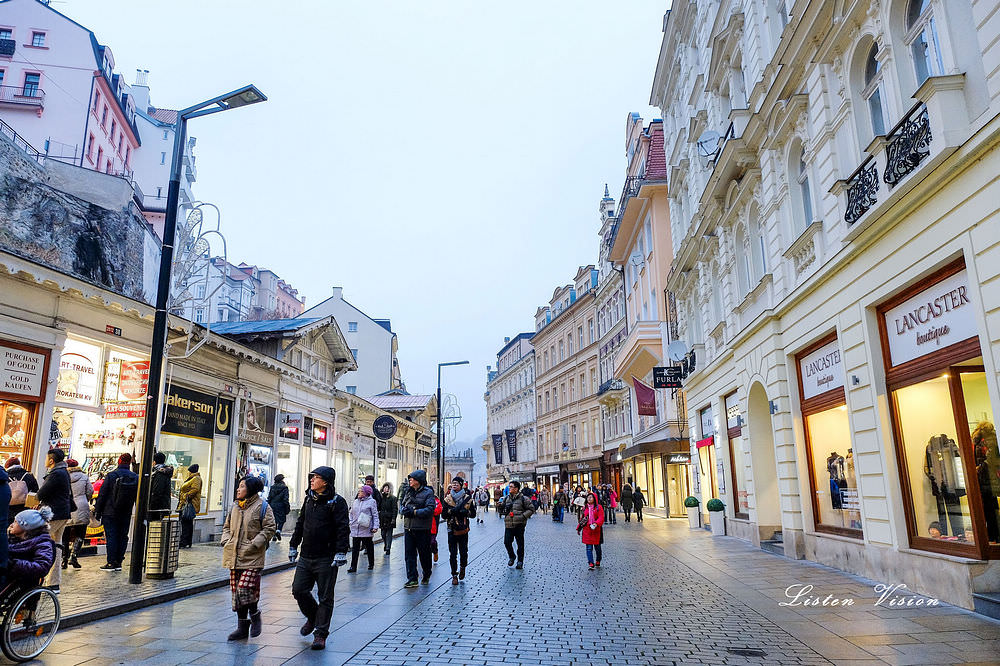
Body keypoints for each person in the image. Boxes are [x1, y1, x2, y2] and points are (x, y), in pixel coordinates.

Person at [289, 466, 349, 651]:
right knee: (298, 590)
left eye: (316, 477)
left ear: (326, 481)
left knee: (325, 597)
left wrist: (341, 551)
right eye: (312, 477)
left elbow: (342, 527)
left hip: (326, 557)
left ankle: (320, 634)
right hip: (306, 555)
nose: (312, 480)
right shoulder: (309, 499)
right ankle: (314, 616)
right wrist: (293, 544)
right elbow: (301, 523)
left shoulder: (337, 502)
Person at [221, 476, 276, 641]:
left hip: (252, 556)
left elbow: (270, 528)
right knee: (237, 594)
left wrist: (254, 544)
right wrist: (226, 540)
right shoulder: (235, 506)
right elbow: (226, 526)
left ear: (250, 489)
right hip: (233, 555)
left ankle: (255, 614)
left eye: (242, 486)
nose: (238, 489)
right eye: (238, 486)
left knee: (244, 589)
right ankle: (242, 628)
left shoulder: (263, 507)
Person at [93, 453, 138, 571]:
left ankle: (111, 562)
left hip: (110, 511)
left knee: (111, 536)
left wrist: (97, 511)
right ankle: (119, 561)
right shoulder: (135, 477)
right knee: (123, 536)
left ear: (119, 461)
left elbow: (102, 495)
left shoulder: (112, 475)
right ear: (129, 462)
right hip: (126, 511)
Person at [36, 448, 73, 591]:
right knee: (56, 546)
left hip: (54, 514)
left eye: (46, 458)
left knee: (42, 543)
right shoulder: (63, 472)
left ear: (51, 460)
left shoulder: (56, 474)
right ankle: (53, 582)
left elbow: (41, 493)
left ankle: (42, 577)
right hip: (63, 513)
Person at [399, 469, 436, 588]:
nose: (410, 480)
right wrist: (403, 510)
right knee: (409, 554)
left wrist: (414, 512)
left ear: (418, 481)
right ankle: (412, 578)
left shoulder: (428, 493)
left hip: (422, 528)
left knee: (424, 553)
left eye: (412, 479)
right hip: (408, 527)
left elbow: (430, 509)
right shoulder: (408, 492)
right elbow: (402, 505)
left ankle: (426, 573)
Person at [7, 506, 55, 586]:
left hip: (21, 583)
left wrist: (12, 564)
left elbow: (42, 567)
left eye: (15, 522)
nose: (11, 525)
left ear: (26, 526)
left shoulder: (43, 543)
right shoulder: (13, 539)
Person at [441, 476, 475, 585]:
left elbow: (473, 514)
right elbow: (444, 515)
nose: (454, 485)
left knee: (464, 552)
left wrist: (466, 513)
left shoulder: (468, 498)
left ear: (461, 485)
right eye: (453, 483)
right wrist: (452, 512)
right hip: (451, 528)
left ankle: (463, 567)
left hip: (463, 529)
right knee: (453, 553)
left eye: (456, 483)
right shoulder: (447, 499)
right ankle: (454, 575)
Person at [62, 458, 92, 570]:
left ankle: (64, 559)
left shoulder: (63, 476)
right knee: (80, 533)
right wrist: (84, 499)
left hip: (67, 505)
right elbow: (90, 491)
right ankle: (73, 557)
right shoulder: (84, 477)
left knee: (65, 534)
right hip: (81, 506)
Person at [498, 480, 534, 569]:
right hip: (509, 524)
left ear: (516, 488)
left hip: (519, 524)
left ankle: (520, 561)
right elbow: (502, 512)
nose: (509, 488)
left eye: (511, 487)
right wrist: (500, 507)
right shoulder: (506, 498)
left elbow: (531, 509)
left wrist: (523, 516)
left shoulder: (524, 498)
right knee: (507, 542)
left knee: (520, 544)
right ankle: (512, 556)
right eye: (509, 486)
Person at [347, 485, 380, 572]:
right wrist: (351, 521)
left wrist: (375, 526)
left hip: (366, 529)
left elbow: (375, 515)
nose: (359, 492)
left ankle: (371, 563)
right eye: (359, 491)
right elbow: (351, 512)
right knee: (355, 549)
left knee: (369, 547)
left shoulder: (372, 502)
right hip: (355, 529)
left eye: (361, 491)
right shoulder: (355, 502)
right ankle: (353, 567)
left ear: (366, 493)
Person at [177, 464, 203, 548]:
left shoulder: (196, 478)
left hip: (189, 504)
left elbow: (195, 490)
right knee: (187, 523)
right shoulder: (193, 478)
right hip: (186, 503)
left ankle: (184, 541)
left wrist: (186, 496)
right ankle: (187, 541)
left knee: (186, 523)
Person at [5, 457, 37, 523]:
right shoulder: (29, 476)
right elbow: (35, 492)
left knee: (9, 528)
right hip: (24, 509)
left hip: (8, 510)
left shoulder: (4, 476)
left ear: (7, 466)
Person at [578, 491, 605, 569]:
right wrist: (579, 528)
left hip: (596, 530)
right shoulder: (584, 508)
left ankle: (598, 560)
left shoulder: (598, 507)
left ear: (594, 499)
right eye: (588, 497)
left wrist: (596, 524)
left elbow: (601, 517)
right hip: (587, 530)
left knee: (597, 547)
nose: (589, 498)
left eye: (591, 497)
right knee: (589, 548)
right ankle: (590, 563)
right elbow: (582, 519)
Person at [148, 452, 174, 521]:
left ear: (154, 461)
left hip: (157, 508)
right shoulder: (163, 471)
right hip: (161, 506)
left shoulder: (160, 473)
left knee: (154, 527)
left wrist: (151, 507)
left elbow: (157, 492)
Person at [267, 474, 291, 541]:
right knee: (281, 520)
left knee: (274, 520)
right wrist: (287, 507)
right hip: (281, 506)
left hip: (272, 505)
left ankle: (274, 535)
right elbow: (286, 499)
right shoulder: (285, 488)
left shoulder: (272, 487)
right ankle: (278, 531)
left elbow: (269, 497)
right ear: (282, 480)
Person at [378, 482, 397, 556]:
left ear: (389, 489)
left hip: (389, 518)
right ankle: (386, 544)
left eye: (387, 488)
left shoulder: (393, 498)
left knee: (389, 534)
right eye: (384, 487)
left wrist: (393, 519)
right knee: (383, 534)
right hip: (382, 518)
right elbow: (379, 507)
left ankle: (388, 548)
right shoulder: (381, 497)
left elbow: (395, 509)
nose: (385, 489)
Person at [429, 495, 443, 563]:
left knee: (432, 541)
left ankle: (435, 552)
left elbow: (439, 509)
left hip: (433, 525)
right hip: (422, 525)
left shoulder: (436, 500)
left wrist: (428, 511)